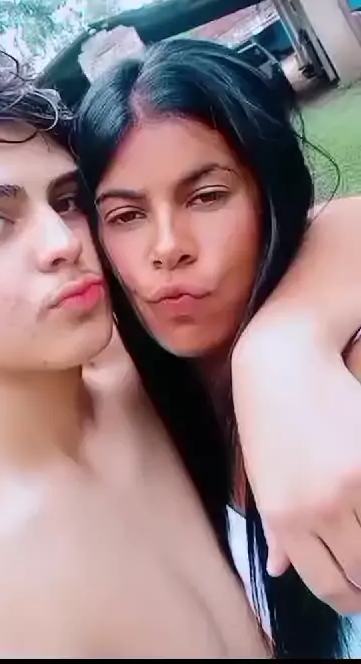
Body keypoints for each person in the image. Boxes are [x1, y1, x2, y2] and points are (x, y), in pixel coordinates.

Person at [0, 56, 269, 658]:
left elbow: (321, 228)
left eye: (66, 201)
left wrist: (292, 342)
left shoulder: (142, 377)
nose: (64, 243)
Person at [72, 37, 361, 658]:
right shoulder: (133, 405)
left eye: (206, 197)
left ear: (269, 196)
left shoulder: (341, 380)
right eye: (125, 215)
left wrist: (275, 351)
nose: (167, 247)